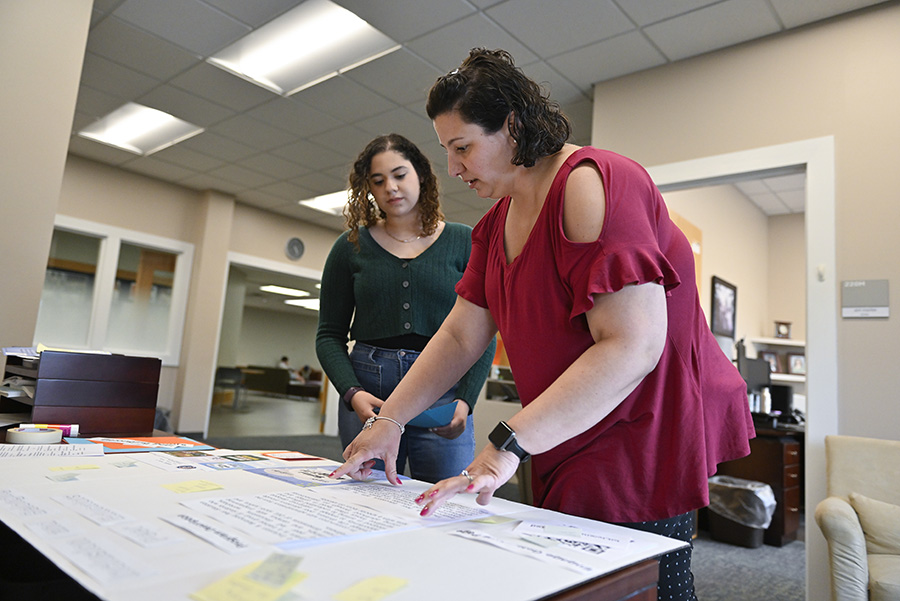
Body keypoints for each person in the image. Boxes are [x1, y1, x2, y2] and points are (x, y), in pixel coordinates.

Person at [331, 49, 754, 601]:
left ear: (513, 126)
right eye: (448, 151)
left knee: (645, 586)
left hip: (638, 421)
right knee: (576, 582)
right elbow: (461, 335)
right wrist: (388, 422)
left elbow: (634, 345)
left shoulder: (594, 182)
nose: (454, 169)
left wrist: (504, 444)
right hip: (561, 426)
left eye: (463, 148)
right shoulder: (494, 225)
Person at [316, 133, 496, 484]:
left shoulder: (464, 241)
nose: (390, 188)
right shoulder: (350, 246)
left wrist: (466, 400)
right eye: (378, 180)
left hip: (443, 389)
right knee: (367, 501)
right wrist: (352, 392)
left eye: (400, 175)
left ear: (422, 177)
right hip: (368, 389)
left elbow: (483, 330)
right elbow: (328, 335)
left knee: (443, 501)